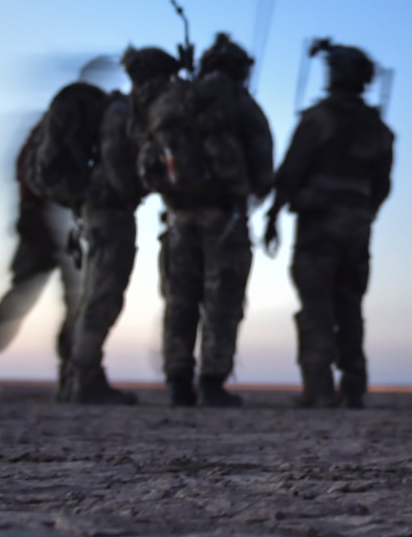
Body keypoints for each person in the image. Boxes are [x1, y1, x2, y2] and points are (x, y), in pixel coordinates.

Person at [138, 33, 276, 407]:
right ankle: (212, 383)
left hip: (177, 217)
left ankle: (177, 382)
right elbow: (264, 163)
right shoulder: (239, 102)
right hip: (224, 217)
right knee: (223, 299)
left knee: (179, 299)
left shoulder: (173, 100)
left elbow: (148, 157)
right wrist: (248, 195)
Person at [0, 80, 111, 401]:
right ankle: (70, 374)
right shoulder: (66, 136)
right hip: (52, 219)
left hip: (39, 217)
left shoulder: (45, 134)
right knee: (68, 299)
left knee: (31, 296)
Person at [263, 39, 394, 409]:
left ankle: (318, 387)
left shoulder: (318, 119)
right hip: (357, 225)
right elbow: (382, 185)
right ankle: (353, 387)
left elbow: (290, 171)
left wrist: (275, 213)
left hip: (319, 224)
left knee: (317, 304)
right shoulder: (378, 129)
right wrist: (362, 212)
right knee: (349, 304)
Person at [59, 45, 183, 405]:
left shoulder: (124, 112)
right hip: (109, 212)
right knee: (104, 295)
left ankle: (76, 375)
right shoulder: (120, 115)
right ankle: (84, 378)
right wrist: (146, 184)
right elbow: (117, 171)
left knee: (96, 293)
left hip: (104, 212)